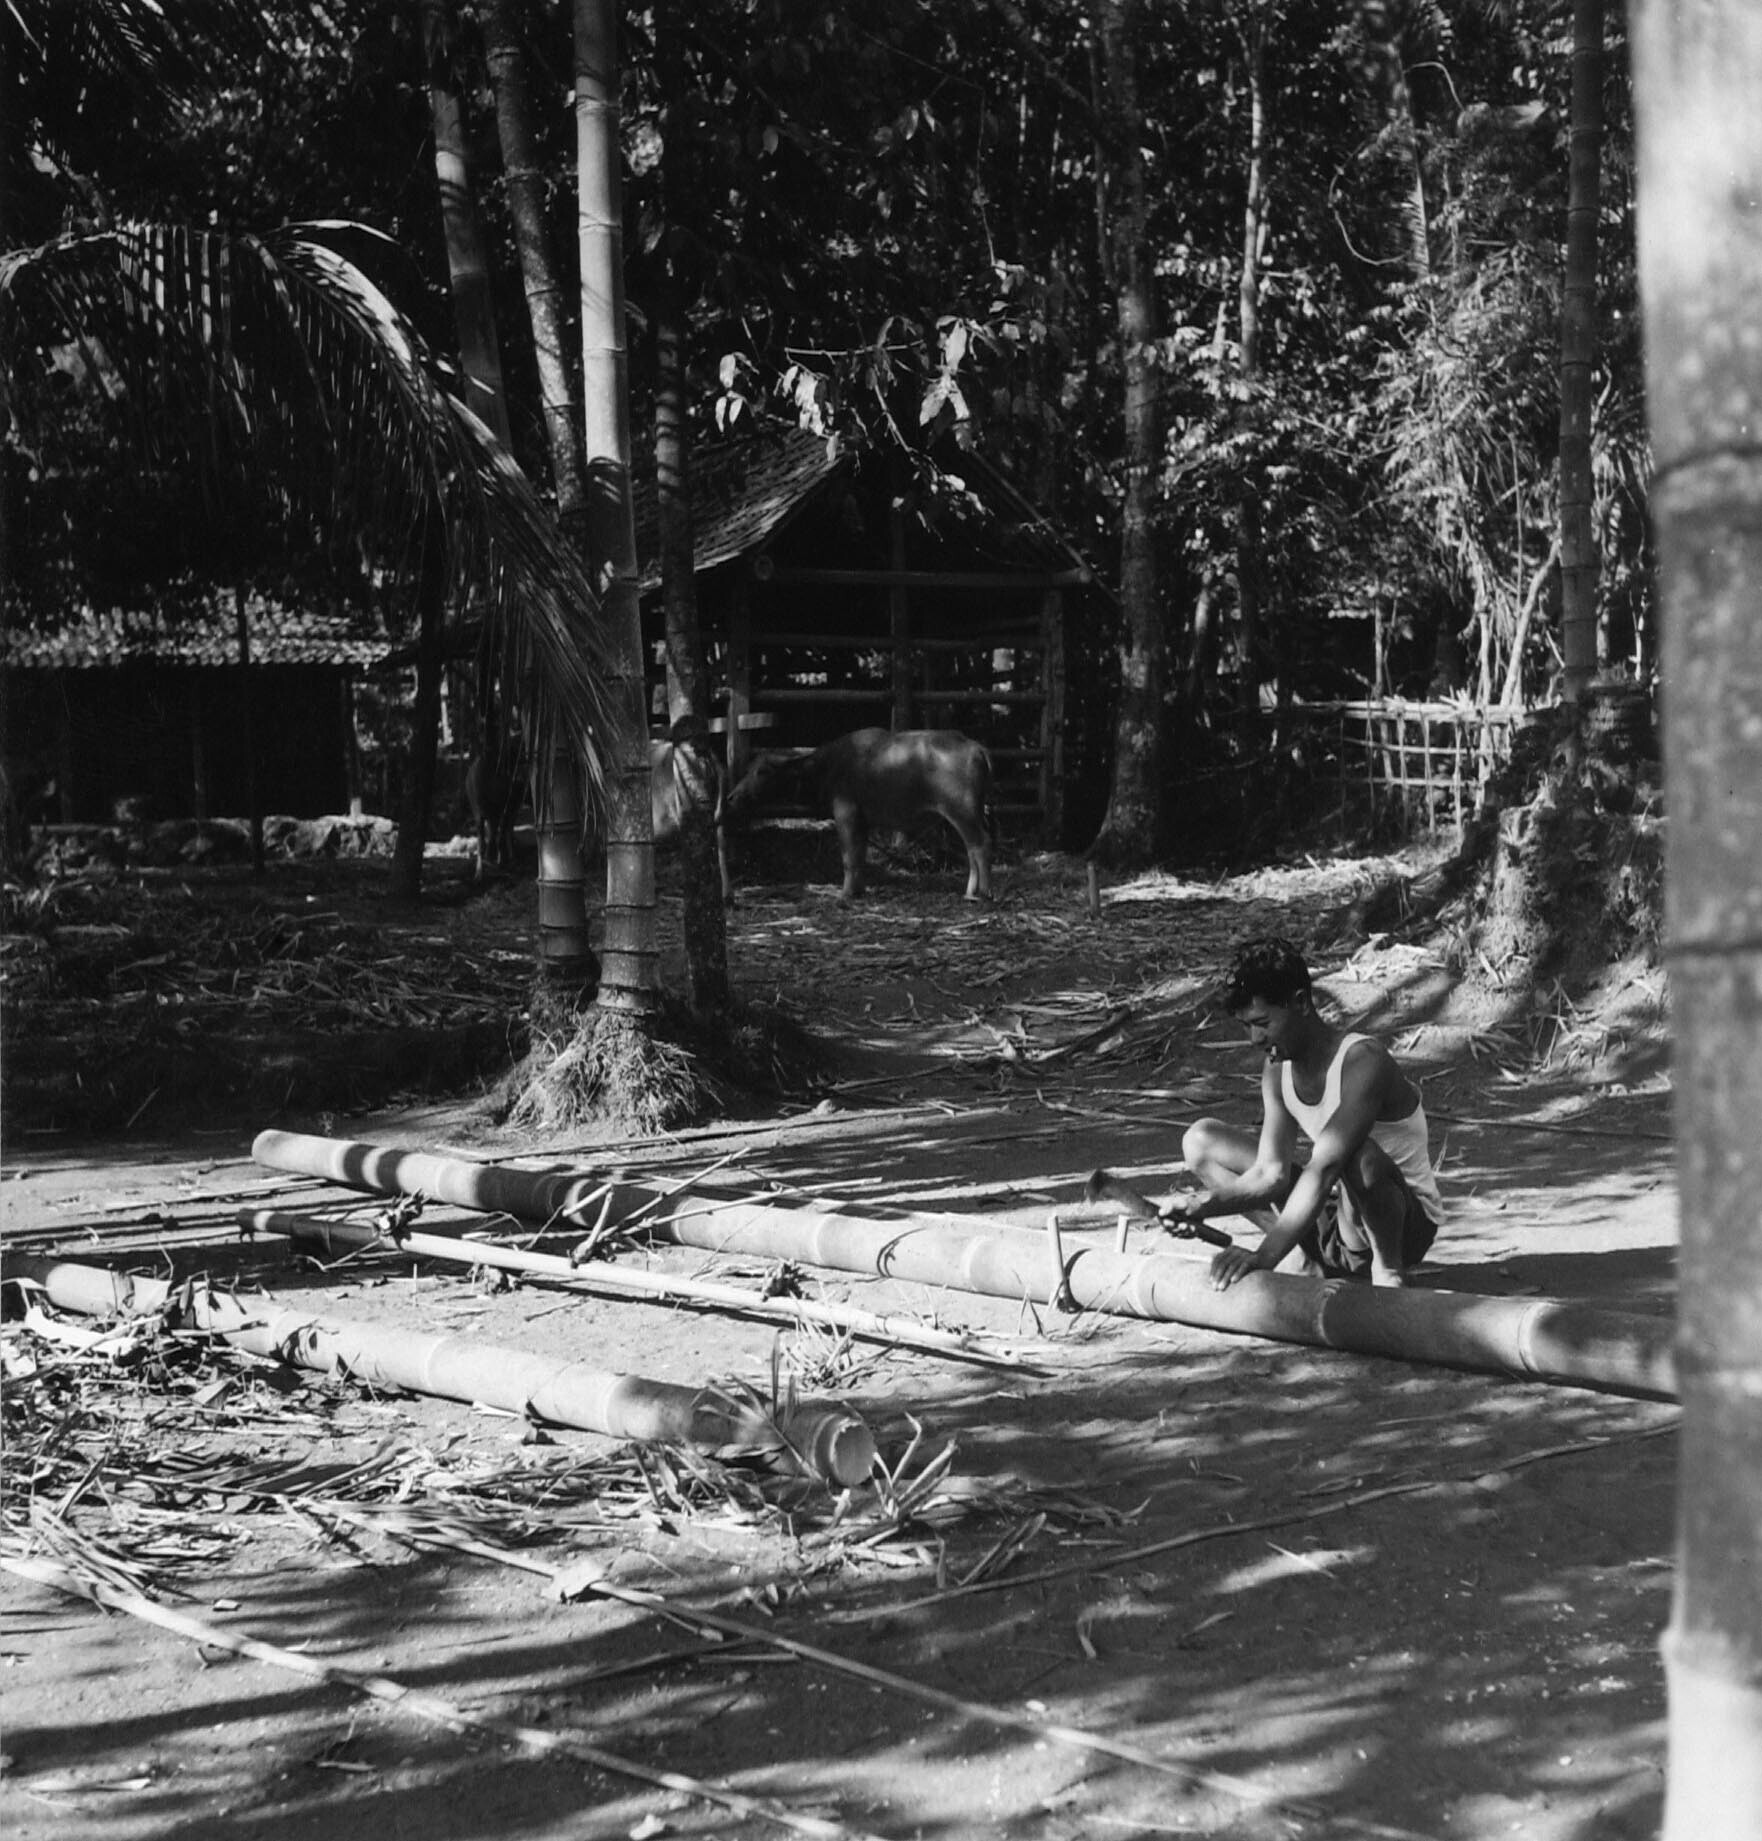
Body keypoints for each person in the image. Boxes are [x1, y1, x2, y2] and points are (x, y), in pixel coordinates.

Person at [1160, 936, 1445, 1290]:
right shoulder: (1277, 1070)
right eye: (1246, 1026)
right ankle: (1302, 1258)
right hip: (1335, 1210)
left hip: (1401, 1226)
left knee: (1361, 1157)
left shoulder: (1363, 1061)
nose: (1254, 1038)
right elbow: (1270, 1173)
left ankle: (1387, 1272)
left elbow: (1325, 1169)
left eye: (1262, 1022)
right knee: (1200, 1141)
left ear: (1300, 1002)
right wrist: (1202, 1206)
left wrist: (1263, 1257)